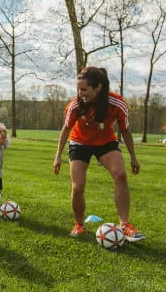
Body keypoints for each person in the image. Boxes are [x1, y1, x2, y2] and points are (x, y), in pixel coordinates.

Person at [53, 66, 145, 242]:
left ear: (98, 87)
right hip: (79, 142)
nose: (80, 93)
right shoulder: (74, 105)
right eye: (78, 89)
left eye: (84, 89)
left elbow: (125, 131)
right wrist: (58, 156)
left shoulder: (117, 103)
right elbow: (66, 130)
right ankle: (79, 224)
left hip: (105, 142)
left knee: (121, 175)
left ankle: (125, 224)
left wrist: (133, 157)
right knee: (77, 186)